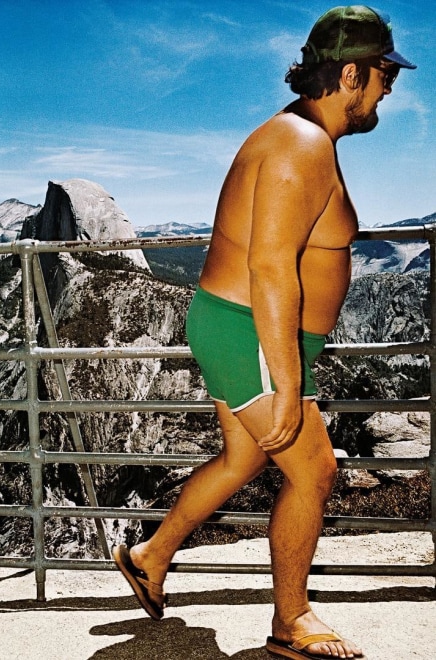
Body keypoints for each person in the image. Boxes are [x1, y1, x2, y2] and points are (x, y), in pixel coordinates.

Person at [113, 6, 416, 660]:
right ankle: (291, 623)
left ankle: (149, 555)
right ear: (353, 74)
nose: (390, 89)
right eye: (386, 75)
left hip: (249, 329)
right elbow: (271, 266)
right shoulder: (298, 146)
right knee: (315, 473)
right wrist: (287, 383)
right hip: (252, 331)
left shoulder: (301, 139)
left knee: (242, 460)